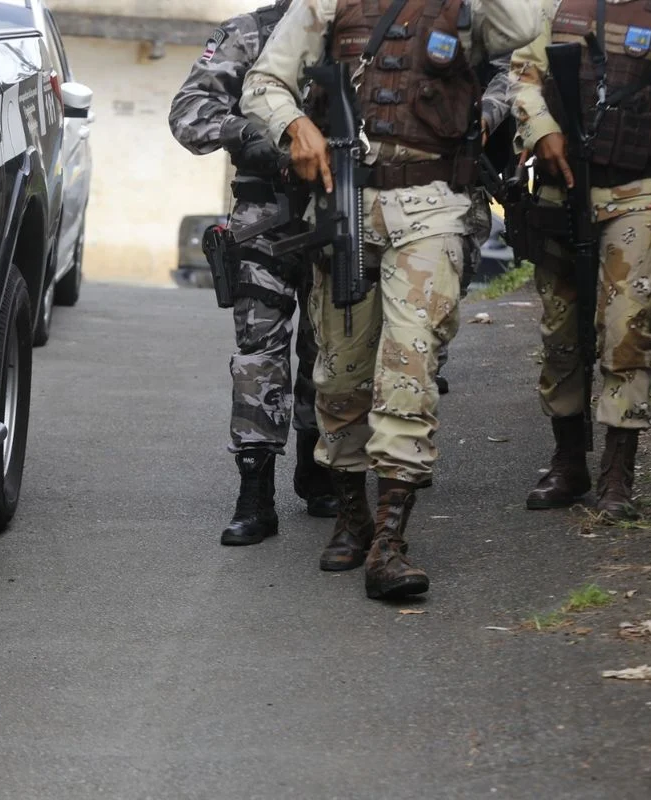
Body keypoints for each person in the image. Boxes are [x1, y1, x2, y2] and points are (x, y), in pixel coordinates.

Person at [241, 0, 539, 598]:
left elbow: (527, 24)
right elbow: (264, 82)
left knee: (410, 364)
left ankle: (389, 540)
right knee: (339, 375)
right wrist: (293, 125)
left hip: (433, 206)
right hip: (345, 201)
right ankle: (352, 515)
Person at [512, 0, 651, 520]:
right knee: (561, 334)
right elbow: (522, 76)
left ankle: (617, 474)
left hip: (640, 193)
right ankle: (569, 462)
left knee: (626, 329)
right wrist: (541, 128)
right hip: (562, 191)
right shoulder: (554, 3)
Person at [169, 0, 341, 548]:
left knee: (328, 347)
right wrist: (249, 134)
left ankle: (319, 470)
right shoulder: (251, 32)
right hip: (264, 216)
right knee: (259, 353)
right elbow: (189, 111)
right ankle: (255, 492)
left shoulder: (362, 28)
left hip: (340, 211)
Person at [436, 54, 515, 395]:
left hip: (467, 167)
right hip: (403, 162)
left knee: (459, 267)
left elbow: (510, 71)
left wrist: (484, 118)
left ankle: (429, 358)